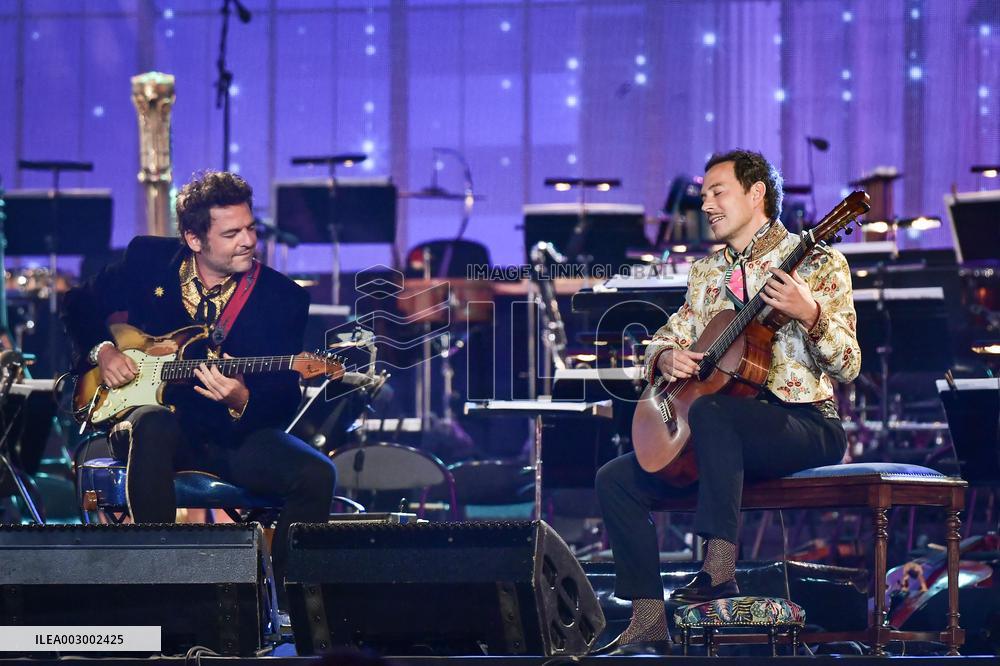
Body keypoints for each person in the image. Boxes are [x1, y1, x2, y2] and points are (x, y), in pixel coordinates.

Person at [595, 149, 861, 652]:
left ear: (757, 193)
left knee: (715, 412)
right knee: (615, 479)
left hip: (804, 424)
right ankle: (649, 618)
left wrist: (811, 315)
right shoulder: (705, 275)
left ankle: (718, 571)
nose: (707, 205)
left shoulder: (821, 263)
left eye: (718, 193)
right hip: (725, 437)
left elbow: (848, 364)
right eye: (703, 197)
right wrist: (664, 359)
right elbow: (660, 339)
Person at [62, 170, 336, 603]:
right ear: (194, 239)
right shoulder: (147, 259)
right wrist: (103, 352)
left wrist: (243, 399)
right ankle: (163, 585)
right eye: (231, 233)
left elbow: (285, 394)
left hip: (228, 437)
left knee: (318, 473)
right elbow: (77, 303)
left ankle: (285, 604)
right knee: (153, 423)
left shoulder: (283, 297)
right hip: (146, 428)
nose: (248, 240)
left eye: (250, 228)